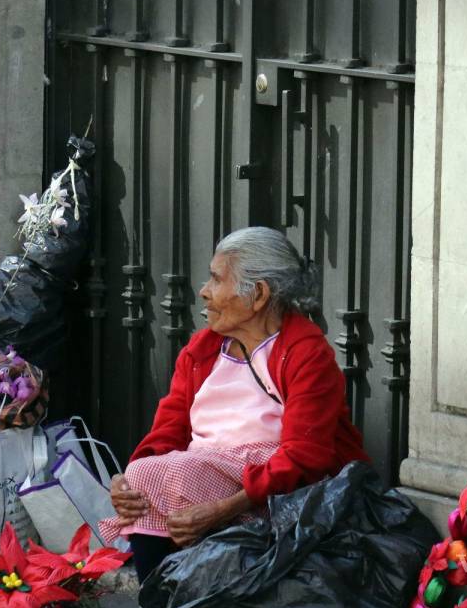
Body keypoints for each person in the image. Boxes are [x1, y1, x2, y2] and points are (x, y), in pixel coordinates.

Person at [99, 227, 369, 582]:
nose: (204, 292)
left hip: (272, 490)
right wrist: (128, 482)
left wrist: (222, 509)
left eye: (216, 279)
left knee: (172, 475)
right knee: (144, 474)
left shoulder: (305, 353)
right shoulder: (202, 349)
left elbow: (306, 456)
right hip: (203, 475)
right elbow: (168, 430)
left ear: (257, 294)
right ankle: (158, 596)